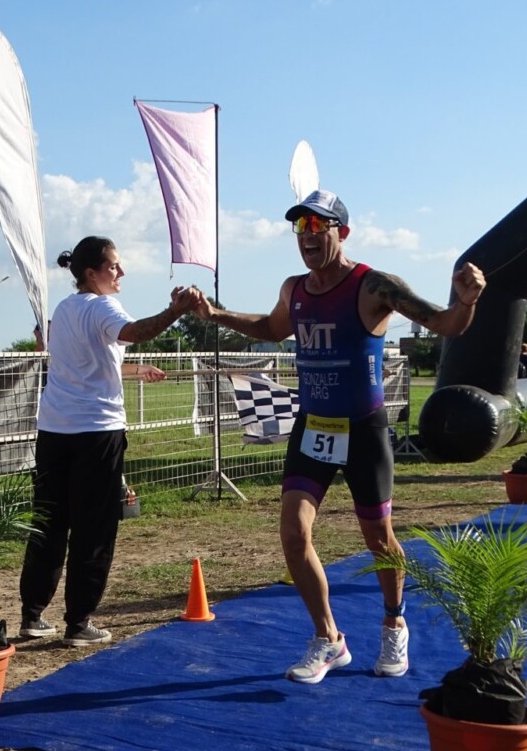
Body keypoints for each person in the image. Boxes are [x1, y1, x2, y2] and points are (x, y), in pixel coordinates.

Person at [194, 188, 486, 684]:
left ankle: (395, 621)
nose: (307, 237)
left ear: (341, 232)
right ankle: (328, 638)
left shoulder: (374, 286)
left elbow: (445, 323)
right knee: (293, 532)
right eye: (300, 228)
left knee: (378, 538)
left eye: (317, 226)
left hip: (364, 430)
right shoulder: (295, 288)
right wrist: (214, 314)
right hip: (314, 426)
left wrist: (468, 299)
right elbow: (270, 327)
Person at [19, 236, 196, 646]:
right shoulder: (103, 306)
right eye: (114, 266)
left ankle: (32, 614)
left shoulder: (64, 310)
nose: (121, 272)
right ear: (90, 273)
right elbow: (136, 331)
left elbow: (89, 363)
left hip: (54, 432)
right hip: (96, 433)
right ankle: (78, 622)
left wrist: (135, 371)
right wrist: (175, 311)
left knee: (48, 523)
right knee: (93, 528)